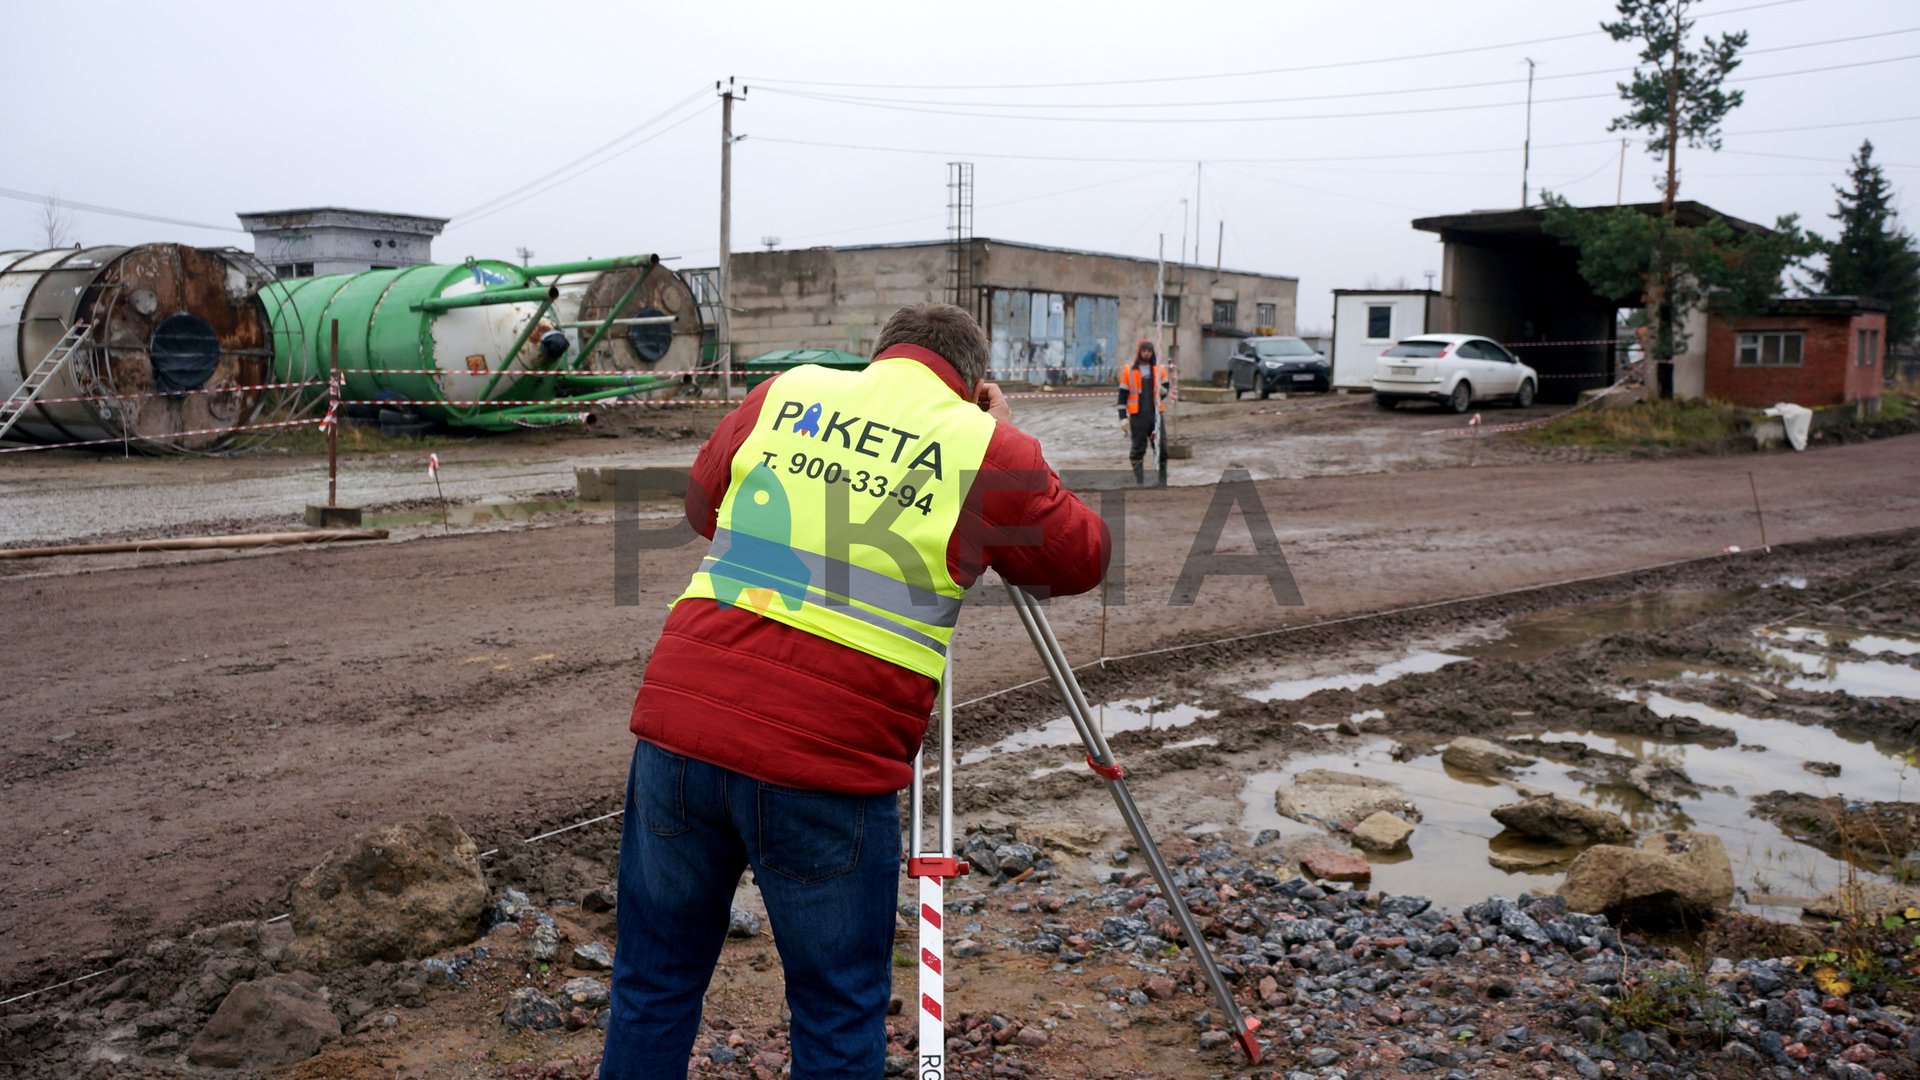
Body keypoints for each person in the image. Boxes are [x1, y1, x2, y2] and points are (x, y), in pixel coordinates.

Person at [603, 302, 1111, 1079]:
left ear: (881, 358)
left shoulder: (789, 391)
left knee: (652, 982)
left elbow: (704, 505)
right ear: (974, 381)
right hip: (824, 766)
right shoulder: (985, 443)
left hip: (681, 733)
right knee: (837, 1008)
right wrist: (1010, 436)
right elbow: (1078, 561)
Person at [1117, 340, 1170, 486]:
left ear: (1152, 353)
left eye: (1149, 351)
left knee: (1162, 449)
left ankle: (1162, 482)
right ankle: (1140, 482)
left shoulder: (1159, 369)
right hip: (1138, 417)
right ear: (1139, 352)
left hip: (1156, 416)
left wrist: (1163, 392)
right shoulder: (1129, 371)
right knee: (1137, 450)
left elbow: (1166, 387)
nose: (1146, 353)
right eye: (1144, 350)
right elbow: (1122, 395)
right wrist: (1122, 418)